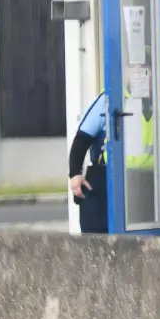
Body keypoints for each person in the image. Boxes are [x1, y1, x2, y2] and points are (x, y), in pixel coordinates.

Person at [68, 90, 110, 234]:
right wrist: (75, 174)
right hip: (104, 178)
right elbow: (82, 139)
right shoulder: (107, 100)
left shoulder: (159, 97)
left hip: (147, 180)